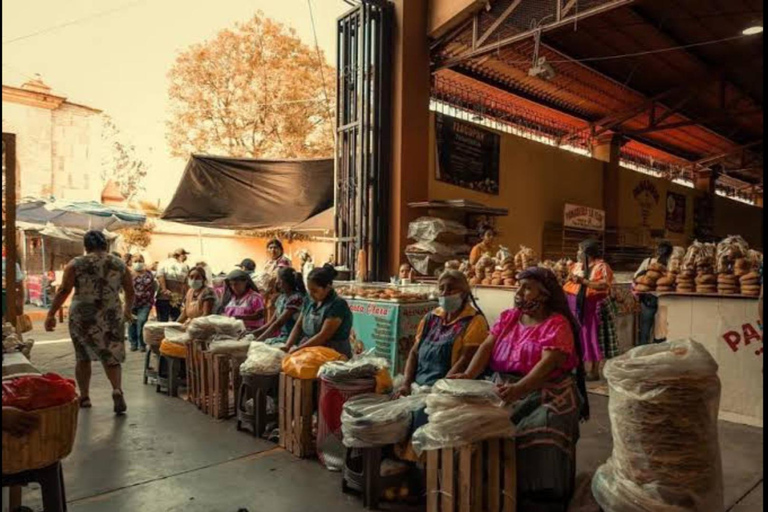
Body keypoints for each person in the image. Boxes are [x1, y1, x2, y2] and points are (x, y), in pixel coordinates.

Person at [451, 267, 589, 511]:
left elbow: (546, 367)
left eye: (527, 287)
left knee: (542, 426)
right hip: (503, 385)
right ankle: (493, 488)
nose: (519, 292)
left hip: (547, 390)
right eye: (519, 286)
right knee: (471, 423)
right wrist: (469, 375)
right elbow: (486, 348)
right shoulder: (509, 318)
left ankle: (540, 496)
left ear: (544, 294)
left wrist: (518, 390)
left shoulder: (557, 324)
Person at [45, 230, 134, 414]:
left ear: (86, 246)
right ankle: (116, 389)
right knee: (112, 354)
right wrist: (127, 311)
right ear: (106, 245)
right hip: (111, 313)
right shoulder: (119, 264)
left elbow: (64, 290)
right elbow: (130, 290)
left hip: (83, 315)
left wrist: (51, 313)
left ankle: (84, 397)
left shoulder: (76, 264)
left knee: (83, 356)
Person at [397, 270, 488, 397]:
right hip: (418, 387)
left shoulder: (475, 320)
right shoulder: (431, 317)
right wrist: (406, 384)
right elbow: (414, 352)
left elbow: (465, 360)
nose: (445, 293)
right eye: (441, 289)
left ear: (464, 293)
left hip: (447, 391)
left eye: (451, 289)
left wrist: (439, 390)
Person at [563, 239, 616, 381]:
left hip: (593, 309)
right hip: (576, 307)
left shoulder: (602, 267)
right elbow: (570, 282)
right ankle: (580, 367)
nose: (577, 253)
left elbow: (603, 285)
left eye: (580, 250)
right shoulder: (577, 266)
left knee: (593, 338)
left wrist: (583, 281)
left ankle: (594, 371)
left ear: (588, 253)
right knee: (579, 338)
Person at [284, 264, 353, 358]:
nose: (311, 294)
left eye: (315, 291)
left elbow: (323, 336)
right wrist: (287, 346)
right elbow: (298, 326)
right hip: (310, 349)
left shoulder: (338, 304)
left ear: (327, 288)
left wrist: (298, 350)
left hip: (333, 353)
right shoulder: (309, 300)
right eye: (309, 290)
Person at [634, 241, 673, 345]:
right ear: (671, 253)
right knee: (662, 328)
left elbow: (635, 276)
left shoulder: (648, 261)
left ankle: (642, 349)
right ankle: (658, 349)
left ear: (657, 250)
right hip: (666, 298)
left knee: (646, 326)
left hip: (648, 298)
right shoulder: (671, 264)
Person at [255, 267, 306, 345]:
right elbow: (271, 323)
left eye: (279, 280)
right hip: (283, 337)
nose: (277, 282)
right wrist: (252, 334)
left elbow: (278, 324)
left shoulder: (296, 299)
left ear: (287, 282)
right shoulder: (281, 298)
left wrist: (258, 340)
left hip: (293, 339)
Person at [128, 254, 156, 352]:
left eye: (140, 260)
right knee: (132, 323)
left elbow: (154, 286)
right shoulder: (128, 273)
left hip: (145, 302)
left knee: (142, 321)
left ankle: (142, 344)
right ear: (132, 262)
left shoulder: (148, 273)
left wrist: (151, 298)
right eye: (136, 261)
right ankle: (133, 343)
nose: (138, 263)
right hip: (131, 303)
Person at [156, 248, 190, 322]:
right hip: (176, 298)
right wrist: (187, 296)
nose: (185, 258)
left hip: (163, 297)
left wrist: (164, 289)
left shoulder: (163, 263)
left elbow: (160, 276)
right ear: (180, 255)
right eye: (184, 255)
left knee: (162, 321)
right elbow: (186, 283)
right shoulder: (184, 266)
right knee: (176, 321)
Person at [2, 245, 25, 322]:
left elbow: (19, 283)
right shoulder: (13, 264)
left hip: (8, 296)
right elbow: (19, 283)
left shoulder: (13, 264)